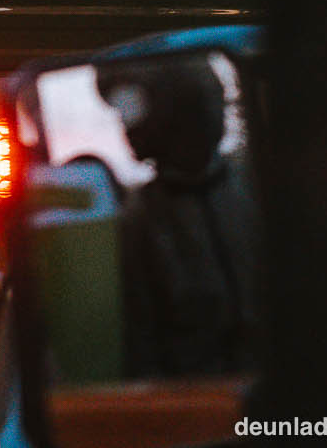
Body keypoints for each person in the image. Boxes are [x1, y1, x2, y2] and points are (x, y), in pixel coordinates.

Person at [95, 55, 260, 380]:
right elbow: (138, 352)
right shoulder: (137, 223)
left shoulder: (254, 189)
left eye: (131, 108)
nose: (125, 125)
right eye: (122, 110)